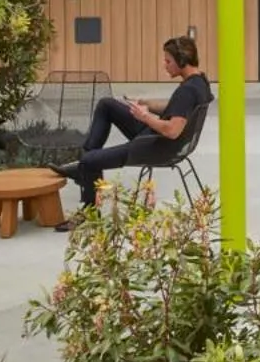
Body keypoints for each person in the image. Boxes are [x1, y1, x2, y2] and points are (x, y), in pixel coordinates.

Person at [50, 34, 213, 229]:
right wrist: (146, 105)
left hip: (155, 147)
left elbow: (172, 131)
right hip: (158, 140)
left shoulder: (187, 91)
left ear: (182, 61)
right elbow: (177, 110)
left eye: (168, 61)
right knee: (107, 105)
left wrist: (144, 117)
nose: (165, 65)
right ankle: (84, 166)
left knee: (89, 161)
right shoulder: (199, 82)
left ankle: (88, 206)